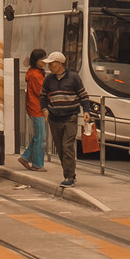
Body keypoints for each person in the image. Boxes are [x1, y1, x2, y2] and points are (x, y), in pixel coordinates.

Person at [39, 50, 94, 188]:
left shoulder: (74, 78)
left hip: (70, 116)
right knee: (60, 148)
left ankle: (69, 176)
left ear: (59, 64)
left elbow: (83, 95)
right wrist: (45, 109)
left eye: (51, 64)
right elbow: (42, 96)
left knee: (67, 146)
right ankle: (70, 174)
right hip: (54, 118)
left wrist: (86, 110)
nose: (49, 67)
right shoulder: (48, 79)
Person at [19, 48, 47, 172]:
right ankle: (37, 164)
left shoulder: (34, 73)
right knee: (41, 137)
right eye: (42, 59)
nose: (44, 61)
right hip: (37, 108)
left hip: (35, 108)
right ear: (36, 61)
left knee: (39, 136)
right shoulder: (36, 75)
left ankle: (25, 157)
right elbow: (42, 92)